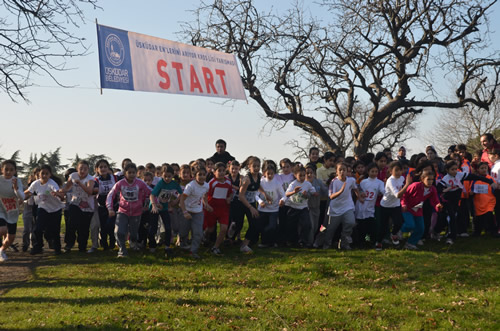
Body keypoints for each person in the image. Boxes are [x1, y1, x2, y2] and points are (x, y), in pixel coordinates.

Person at [435, 160, 493, 244]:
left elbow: (474, 177)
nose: (455, 171)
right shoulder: (446, 178)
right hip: (448, 200)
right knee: (451, 217)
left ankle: (440, 232)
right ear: (447, 170)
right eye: (452, 169)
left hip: (457, 199)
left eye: (456, 169)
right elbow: (438, 189)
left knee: (453, 217)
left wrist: (489, 181)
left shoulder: (460, 175)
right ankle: (450, 237)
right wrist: (445, 190)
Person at [106, 163, 152, 258]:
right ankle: (122, 250)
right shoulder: (120, 183)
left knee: (134, 233)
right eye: (129, 172)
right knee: (119, 231)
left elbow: (151, 193)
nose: (132, 174)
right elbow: (111, 195)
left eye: (133, 172)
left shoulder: (140, 183)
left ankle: (133, 243)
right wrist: (110, 208)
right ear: (125, 173)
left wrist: (154, 203)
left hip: (136, 212)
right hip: (123, 211)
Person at [315, 162, 363, 250]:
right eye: (340, 170)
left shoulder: (351, 180)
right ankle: (327, 244)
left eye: (344, 170)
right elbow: (331, 196)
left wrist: (359, 197)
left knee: (350, 223)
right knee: (330, 228)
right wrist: (341, 191)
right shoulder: (334, 182)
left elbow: (355, 188)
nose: (342, 172)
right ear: (337, 172)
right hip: (335, 209)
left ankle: (344, 243)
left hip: (348, 207)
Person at [24, 165, 64, 255]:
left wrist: (58, 194)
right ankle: (38, 246)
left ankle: (57, 249)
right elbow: (28, 193)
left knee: (55, 230)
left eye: (47, 174)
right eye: (43, 173)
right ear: (39, 174)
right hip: (43, 208)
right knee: (38, 229)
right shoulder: (36, 183)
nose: (44, 175)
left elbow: (60, 195)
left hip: (55, 209)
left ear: (50, 175)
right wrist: (19, 196)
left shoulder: (52, 183)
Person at [59, 160, 97, 253]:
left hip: (87, 206)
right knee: (71, 224)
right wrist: (60, 191)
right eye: (81, 169)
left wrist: (80, 183)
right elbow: (67, 188)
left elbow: (89, 191)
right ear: (77, 169)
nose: (82, 171)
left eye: (85, 169)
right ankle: (69, 244)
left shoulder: (90, 179)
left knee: (83, 227)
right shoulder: (73, 176)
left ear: (88, 169)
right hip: (75, 203)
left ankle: (82, 246)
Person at [400, 169, 443, 250]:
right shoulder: (415, 185)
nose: (430, 181)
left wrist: (438, 206)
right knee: (410, 225)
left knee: (420, 229)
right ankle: (398, 230)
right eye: (428, 179)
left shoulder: (432, 189)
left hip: (418, 209)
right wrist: (403, 204)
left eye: (432, 179)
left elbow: (435, 200)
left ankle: (410, 243)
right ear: (422, 179)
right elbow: (405, 195)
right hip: (407, 208)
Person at [149, 165, 183, 258]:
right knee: (154, 228)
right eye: (165, 176)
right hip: (155, 208)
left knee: (168, 227)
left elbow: (182, 193)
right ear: (161, 175)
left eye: (169, 176)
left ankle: (167, 246)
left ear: (172, 175)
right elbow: (152, 195)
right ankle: (152, 245)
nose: (167, 178)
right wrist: (154, 205)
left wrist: (176, 201)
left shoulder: (174, 184)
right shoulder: (160, 183)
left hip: (164, 208)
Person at [179, 167, 210, 259]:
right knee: (184, 231)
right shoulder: (190, 186)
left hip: (198, 211)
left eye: (203, 175)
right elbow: (182, 199)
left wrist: (206, 204)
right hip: (187, 210)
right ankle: (183, 245)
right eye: (199, 175)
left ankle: (193, 251)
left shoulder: (206, 185)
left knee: (198, 233)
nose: (202, 177)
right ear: (194, 176)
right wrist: (185, 212)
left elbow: (204, 195)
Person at [379, 161, 412, 248]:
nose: (399, 172)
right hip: (385, 206)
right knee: (383, 226)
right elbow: (398, 195)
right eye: (396, 170)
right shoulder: (391, 181)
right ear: (390, 171)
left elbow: (403, 191)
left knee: (399, 222)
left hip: (396, 205)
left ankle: (393, 234)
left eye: (400, 170)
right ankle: (378, 242)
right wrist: (407, 184)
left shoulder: (401, 178)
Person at [253, 160, 285, 247]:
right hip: (262, 209)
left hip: (274, 209)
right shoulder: (261, 182)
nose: (270, 176)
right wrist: (260, 201)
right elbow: (255, 195)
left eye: (272, 173)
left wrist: (282, 200)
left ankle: (272, 241)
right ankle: (264, 242)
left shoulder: (277, 183)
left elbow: (284, 195)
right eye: (268, 174)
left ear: (274, 173)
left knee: (272, 226)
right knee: (261, 226)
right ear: (264, 173)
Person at [204, 162, 233, 255]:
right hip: (212, 209)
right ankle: (204, 236)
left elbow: (231, 192)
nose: (221, 173)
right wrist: (207, 205)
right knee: (210, 229)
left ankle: (215, 247)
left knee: (224, 228)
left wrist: (229, 198)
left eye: (223, 170)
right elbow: (204, 195)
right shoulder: (212, 183)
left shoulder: (228, 182)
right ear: (214, 172)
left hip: (224, 209)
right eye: (219, 171)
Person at [284, 164, 316, 247]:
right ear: (295, 175)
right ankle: (291, 241)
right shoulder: (293, 184)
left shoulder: (307, 184)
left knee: (306, 225)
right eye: (300, 176)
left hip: (303, 208)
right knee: (291, 226)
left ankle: (303, 241)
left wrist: (309, 194)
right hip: (293, 207)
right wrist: (294, 192)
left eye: (303, 175)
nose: (302, 177)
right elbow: (287, 194)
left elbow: (313, 191)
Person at [354, 163, 385, 249]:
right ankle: (361, 242)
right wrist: (361, 193)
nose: (374, 173)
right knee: (361, 226)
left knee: (371, 225)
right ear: (368, 172)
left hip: (370, 207)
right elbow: (358, 189)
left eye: (376, 171)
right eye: (372, 171)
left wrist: (386, 193)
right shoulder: (363, 182)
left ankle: (373, 241)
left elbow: (383, 191)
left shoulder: (380, 183)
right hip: (361, 206)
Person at [0, 160, 24, 262]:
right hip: (1, 208)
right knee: (2, 230)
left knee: (11, 237)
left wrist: (15, 189)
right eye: (6, 169)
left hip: (12, 210)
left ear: (15, 171)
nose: (8, 172)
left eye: (11, 170)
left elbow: (22, 197)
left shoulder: (17, 181)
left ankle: (2, 250)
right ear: (2, 170)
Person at [94, 159, 117, 251]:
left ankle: (112, 243)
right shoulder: (96, 180)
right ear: (97, 169)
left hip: (114, 205)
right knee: (103, 226)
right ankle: (104, 244)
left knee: (111, 225)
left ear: (108, 168)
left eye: (105, 167)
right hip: (102, 206)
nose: (103, 169)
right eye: (101, 167)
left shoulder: (115, 178)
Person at [469, 162, 497, 236]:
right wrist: (471, 192)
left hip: (489, 201)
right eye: (482, 168)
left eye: (485, 168)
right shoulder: (475, 179)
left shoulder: (490, 179)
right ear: (478, 169)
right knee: (478, 218)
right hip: (478, 202)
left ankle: (493, 231)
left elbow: (495, 189)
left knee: (489, 216)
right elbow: (471, 190)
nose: (484, 170)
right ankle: (477, 231)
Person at [22, 167, 39, 252]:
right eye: (37, 174)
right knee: (26, 229)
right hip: (28, 208)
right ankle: (25, 244)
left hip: (37, 208)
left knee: (34, 229)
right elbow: (26, 194)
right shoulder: (30, 185)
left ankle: (34, 245)